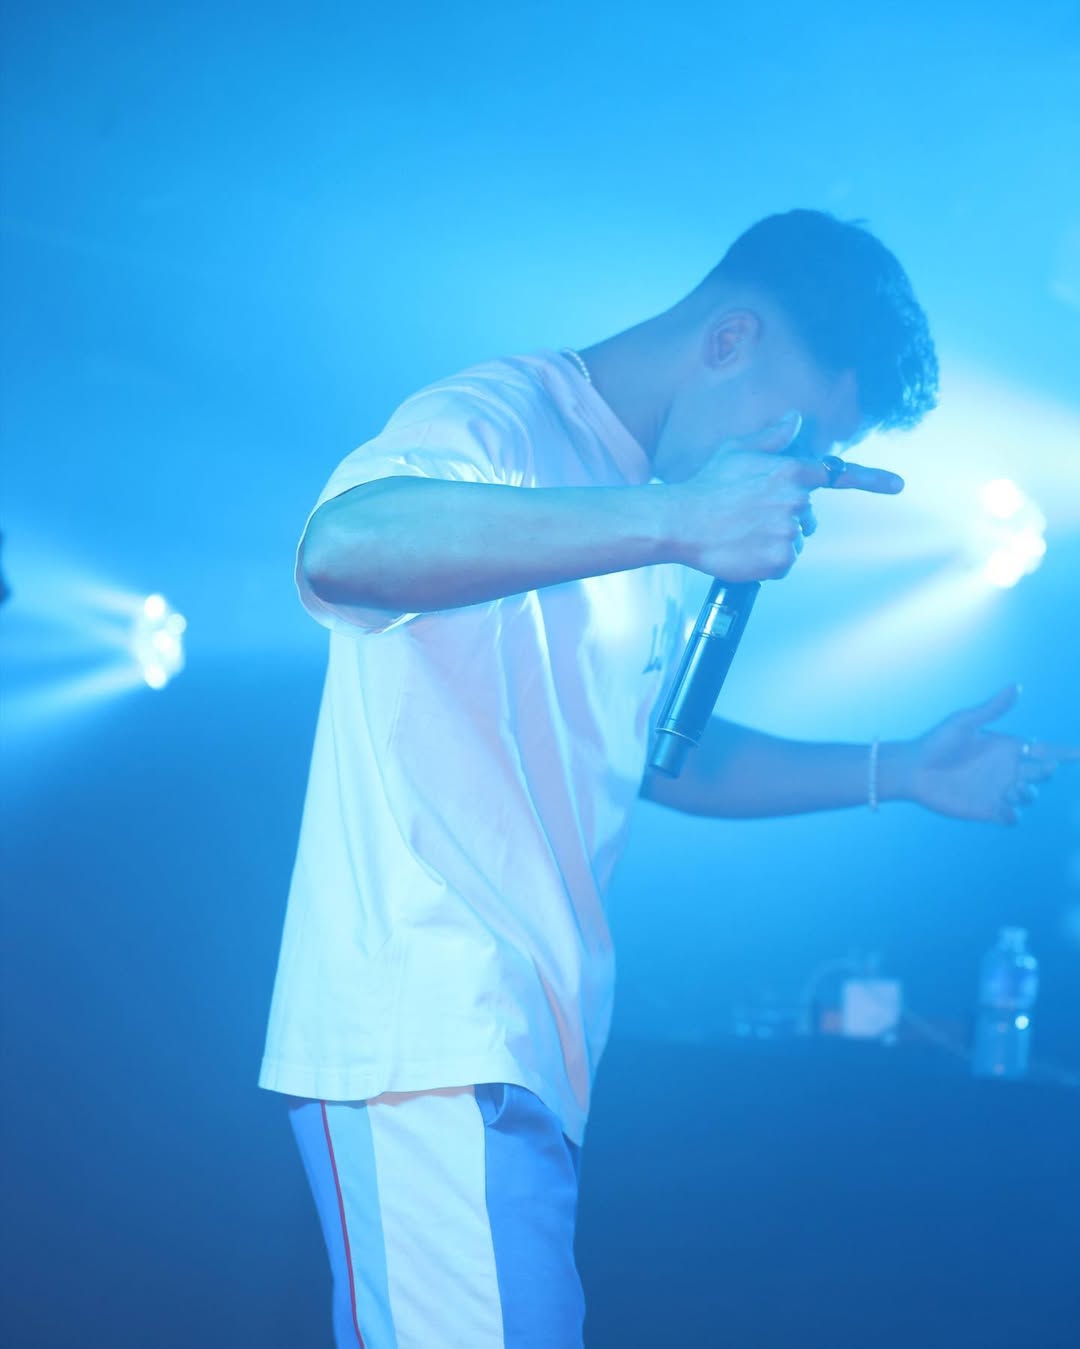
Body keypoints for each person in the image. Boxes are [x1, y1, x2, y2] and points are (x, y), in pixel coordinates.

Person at [259, 210, 1072, 1348]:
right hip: (433, 1024)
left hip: (516, 1046)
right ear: (729, 338)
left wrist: (896, 770)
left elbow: (660, 754)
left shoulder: (638, 501)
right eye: (794, 429)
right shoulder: (500, 416)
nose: (787, 469)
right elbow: (342, 548)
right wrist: (676, 519)